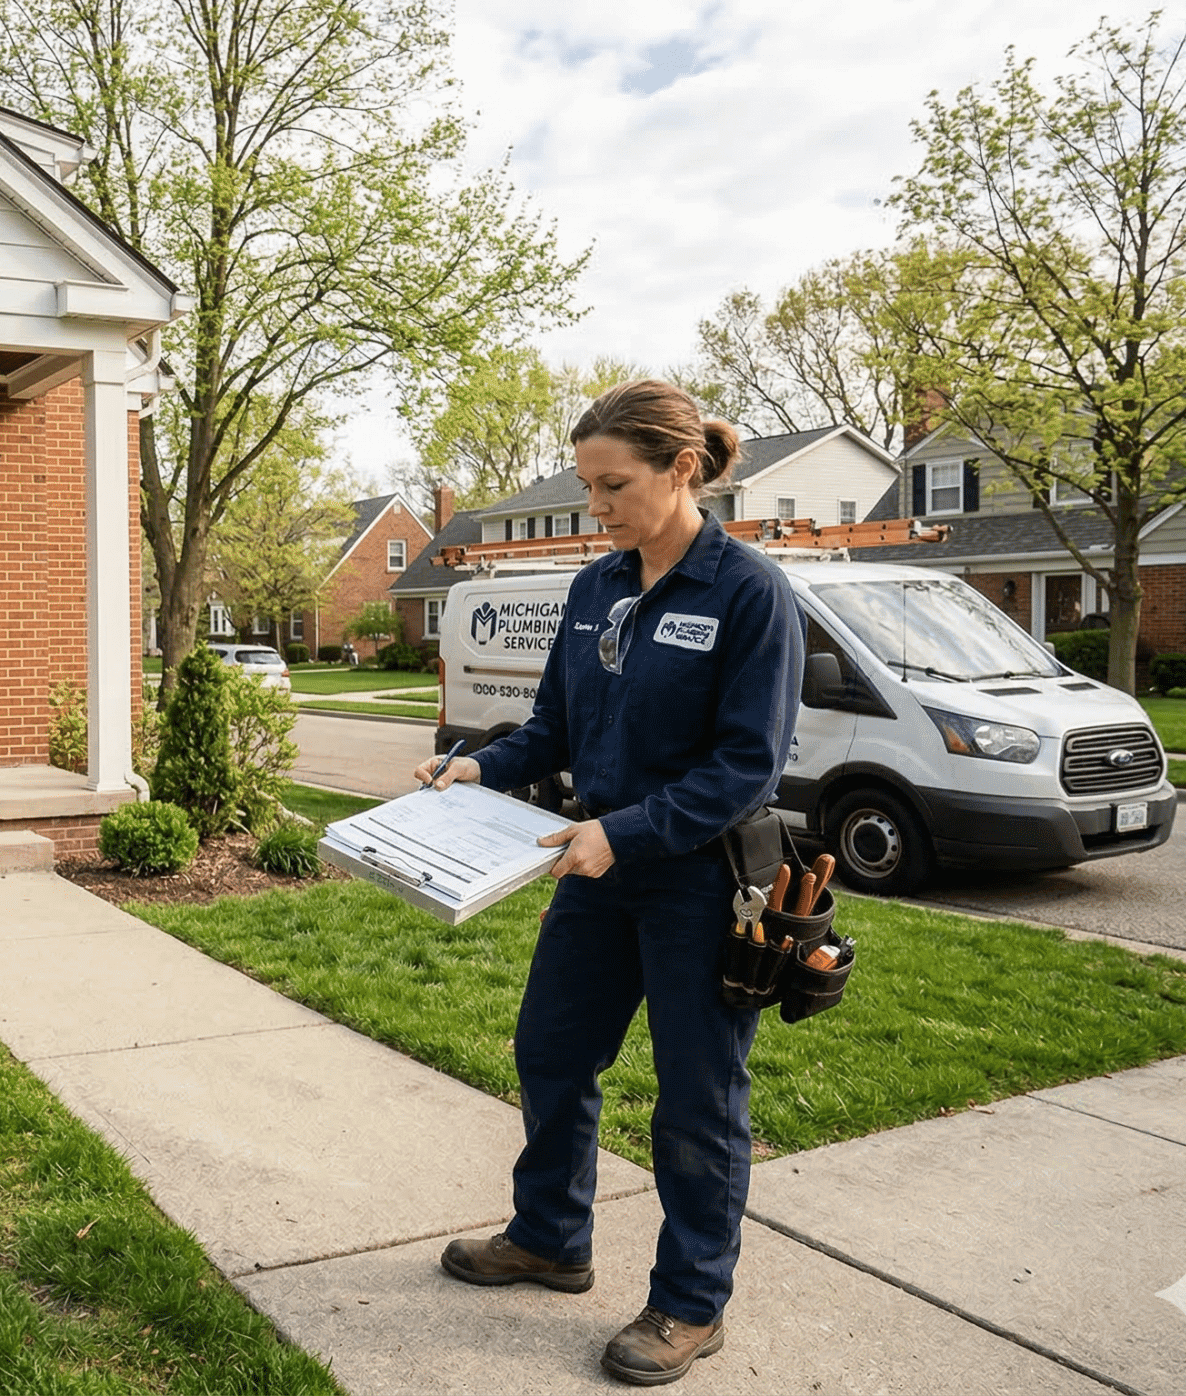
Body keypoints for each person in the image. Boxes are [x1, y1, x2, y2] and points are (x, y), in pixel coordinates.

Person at [414, 379, 802, 1387]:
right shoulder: (597, 587)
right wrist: (478, 762)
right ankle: (550, 1237)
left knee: (695, 1101)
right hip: (595, 870)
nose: (596, 505)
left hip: (696, 883)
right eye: (588, 485)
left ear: (682, 470)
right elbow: (554, 727)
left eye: (611, 483)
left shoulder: (746, 593)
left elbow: (745, 766)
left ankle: (689, 1302)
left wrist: (622, 833)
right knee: (548, 1050)